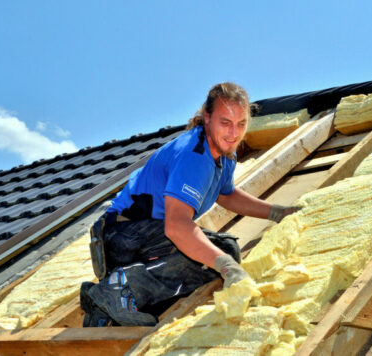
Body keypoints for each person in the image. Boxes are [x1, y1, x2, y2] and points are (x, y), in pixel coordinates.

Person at [80, 82, 300, 327]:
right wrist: (227, 267)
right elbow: (176, 227)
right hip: (123, 235)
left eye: (241, 124)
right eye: (225, 122)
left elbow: (225, 194)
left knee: (220, 250)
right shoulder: (194, 157)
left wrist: (276, 212)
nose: (234, 133)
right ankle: (121, 287)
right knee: (217, 255)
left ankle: (105, 306)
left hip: (141, 237)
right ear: (207, 118)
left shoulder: (224, 153)